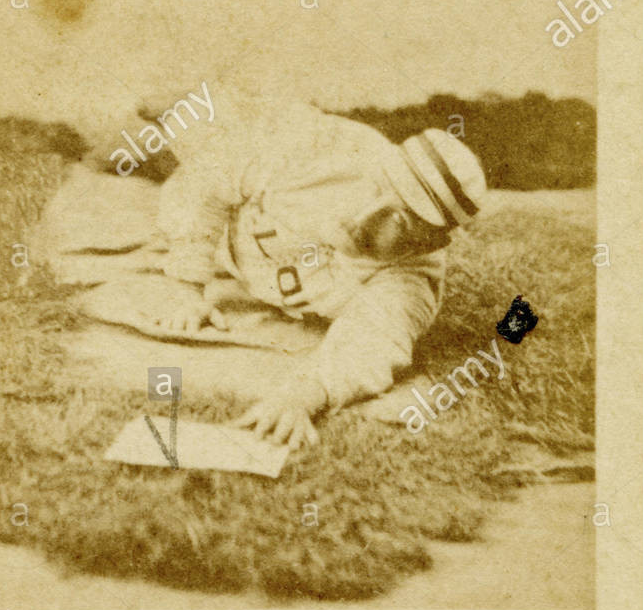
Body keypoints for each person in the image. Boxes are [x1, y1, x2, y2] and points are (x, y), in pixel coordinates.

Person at [152, 100, 487, 450]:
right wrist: (188, 289)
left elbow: (373, 342)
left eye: (400, 221)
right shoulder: (323, 145)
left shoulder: (414, 276)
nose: (368, 215)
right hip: (216, 184)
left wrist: (304, 396)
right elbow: (209, 178)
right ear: (378, 164)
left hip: (246, 258)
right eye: (377, 188)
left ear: (429, 240)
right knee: (163, 135)